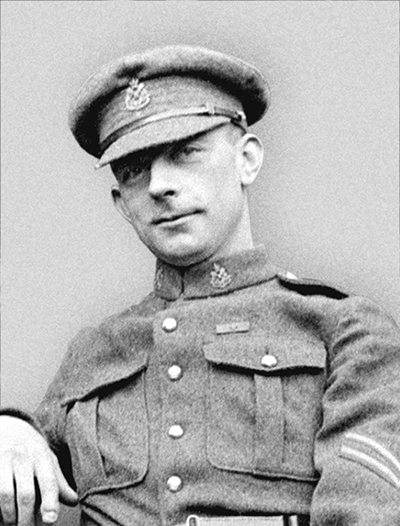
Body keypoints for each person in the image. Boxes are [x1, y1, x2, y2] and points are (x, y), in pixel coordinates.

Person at [0, 45, 399, 526]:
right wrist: (10, 429)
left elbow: (366, 510)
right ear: (122, 204)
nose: (158, 186)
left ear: (247, 160)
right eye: (134, 170)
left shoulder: (345, 330)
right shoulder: (93, 353)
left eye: (185, 153)